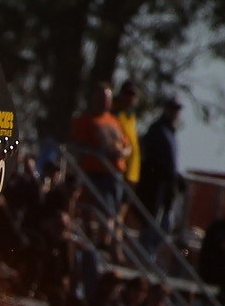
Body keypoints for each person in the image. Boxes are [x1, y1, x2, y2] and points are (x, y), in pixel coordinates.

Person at [134, 97, 185, 257]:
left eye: (177, 109)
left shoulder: (170, 131)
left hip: (168, 187)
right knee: (152, 223)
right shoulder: (157, 129)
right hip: (155, 186)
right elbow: (150, 156)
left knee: (166, 225)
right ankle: (143, 256)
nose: (175, 113)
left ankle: (149, 255)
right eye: (172, 108)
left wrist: (176, 177)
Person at [69, 80, 130, 213]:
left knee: (112, 212)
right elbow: (78, 144)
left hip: (115, 174)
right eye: (100, 98)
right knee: (93, 211)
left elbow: (127, 146)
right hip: (94, 173)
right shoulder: (84, 119)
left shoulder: (116, 121)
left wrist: (122, 152)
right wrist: (102, 152)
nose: (103, 102)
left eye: (107, 99)